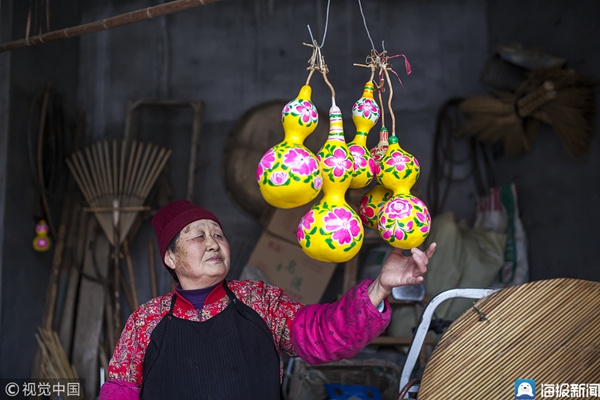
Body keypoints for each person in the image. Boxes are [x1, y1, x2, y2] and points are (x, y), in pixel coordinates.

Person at [99, 200, 436, 400]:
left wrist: (379, 286)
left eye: (218, 234)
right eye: (198, 236)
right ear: (170, 258)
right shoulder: (146, 319)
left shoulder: (259, 300)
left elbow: (323, 335)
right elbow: (120, 390)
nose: (214, 243)